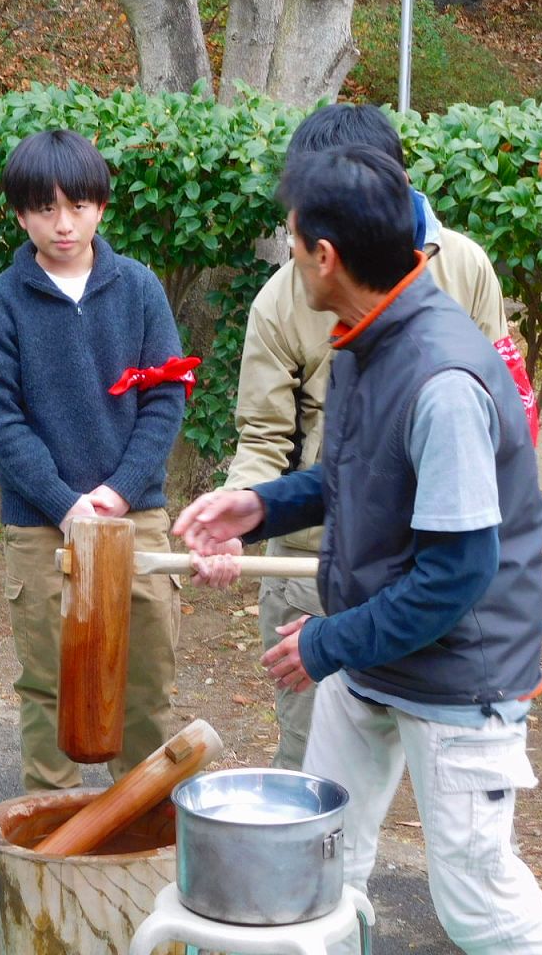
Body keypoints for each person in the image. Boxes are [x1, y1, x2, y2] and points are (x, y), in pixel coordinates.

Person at [176, 144, 542, 954]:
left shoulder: (442, 381)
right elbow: (353, 474)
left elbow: (458, 574)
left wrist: (326, 642)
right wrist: (259, 504)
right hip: (374, 657)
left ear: (326, 257)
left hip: (461, 672)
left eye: (292, 243)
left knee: (478, 902)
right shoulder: (366, 331)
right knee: (323, 866)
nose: (290, 258)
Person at [223, 103, 525, 771]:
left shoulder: (458, 283)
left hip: (438, 587)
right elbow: (270, 437)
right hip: (319, 569)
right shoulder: (293, 301)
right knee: (320, 786)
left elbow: (498, 429)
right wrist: (246, 513)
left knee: (467, 850)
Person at [0, 129, 187, 792]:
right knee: (48, 686)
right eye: (45, 209)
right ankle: (50, 835)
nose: (64, 224)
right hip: (41, 527)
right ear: (19, 213)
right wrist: (66, 504)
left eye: (79, 205)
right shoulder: (0, 305)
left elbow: (166, 397)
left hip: (137, 519)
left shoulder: (140, 289)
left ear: (102, 207)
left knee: (146, 685)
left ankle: (145, 823)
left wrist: (117, 493)